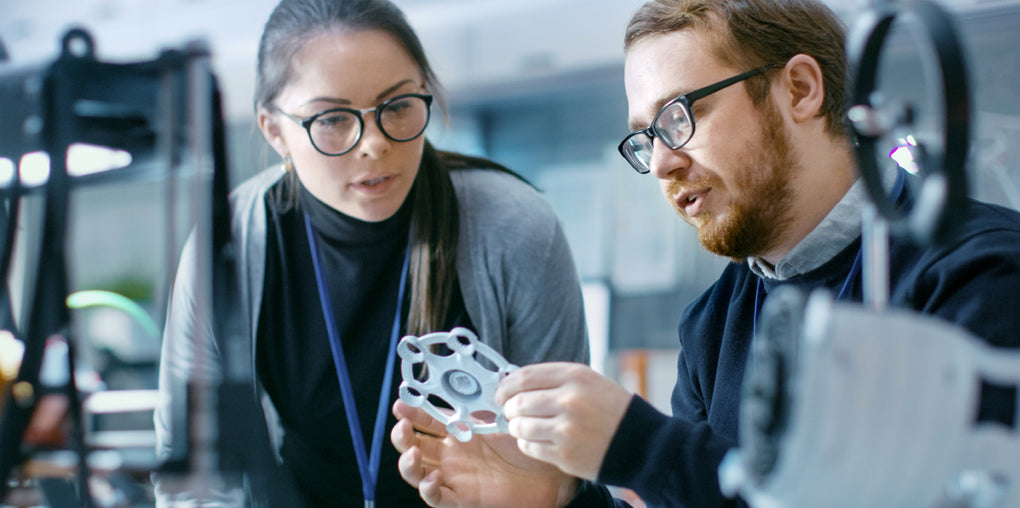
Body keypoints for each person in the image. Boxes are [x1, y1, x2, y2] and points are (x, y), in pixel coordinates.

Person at [391, 0, 1020, 506]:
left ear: (800, 88)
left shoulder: (980, 275)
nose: (662, 161)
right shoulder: (715, 320)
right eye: (646, 136)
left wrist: (642, 447)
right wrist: (560, 497)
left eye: (680, 115)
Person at [152, 0, 590, 505]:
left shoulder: (515, 228)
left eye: (398, 106)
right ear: (275, 132)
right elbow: (194, 473)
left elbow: (558, 467)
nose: (374, 144)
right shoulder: (228, 245)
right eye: (333, 119)